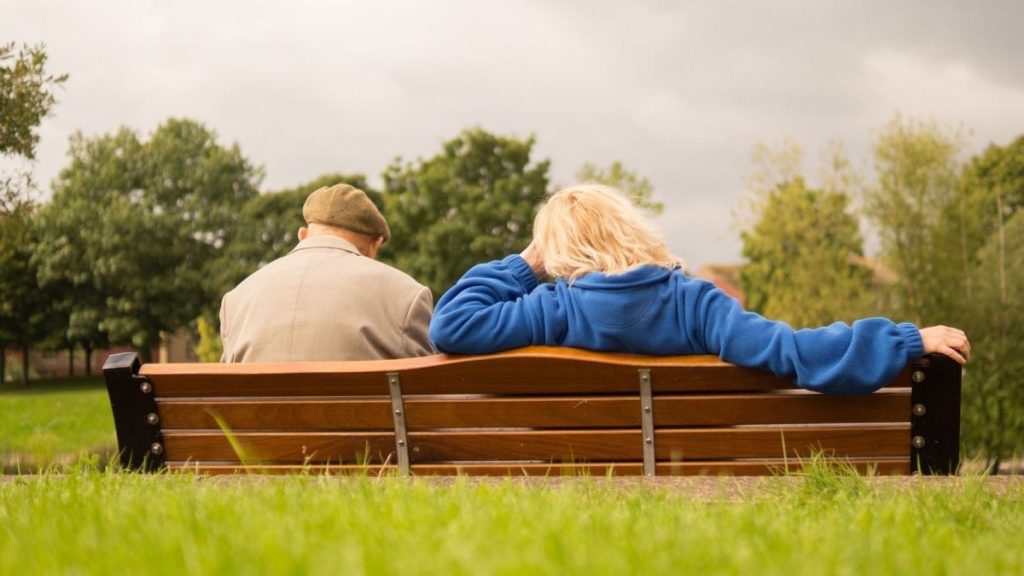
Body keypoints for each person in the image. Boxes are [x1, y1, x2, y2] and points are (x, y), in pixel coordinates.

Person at [428, 184, 970, 394]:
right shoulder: (695, 303)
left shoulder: (550, 308)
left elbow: (451, 324)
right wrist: (902, 341)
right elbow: (791, 351)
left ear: (559, 253)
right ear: (630, 229)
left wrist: (526, 265)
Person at [220, 183, 434, 362]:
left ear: (303, 235)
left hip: (255, 415)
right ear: (374, 244)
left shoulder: (235, 300)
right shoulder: (407, 295)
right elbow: (425, 395)